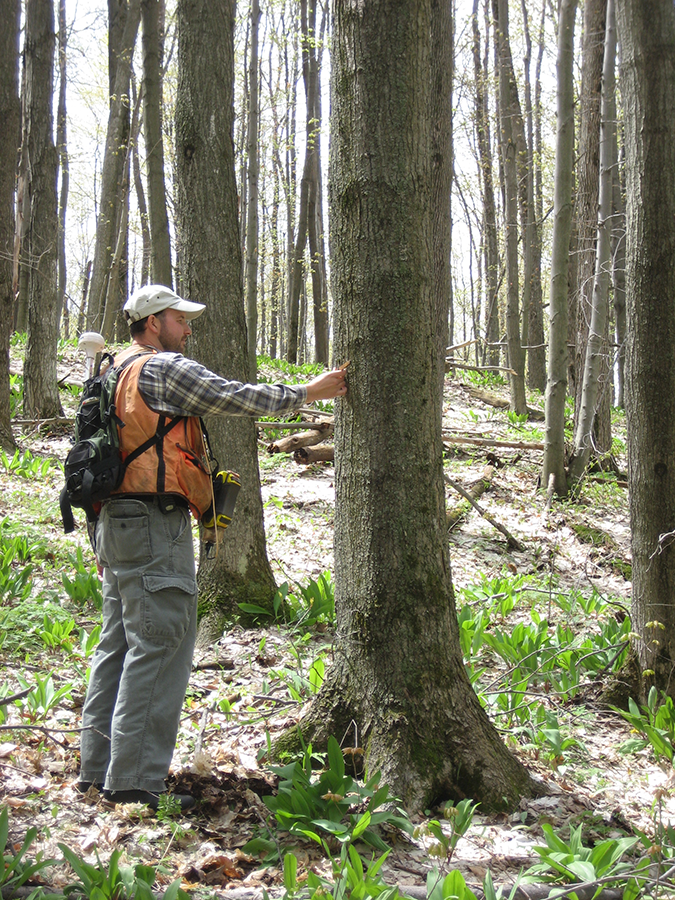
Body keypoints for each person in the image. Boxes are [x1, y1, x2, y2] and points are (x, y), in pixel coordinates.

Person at [77, 284, 347, 812]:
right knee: (162, 642)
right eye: (181, 320)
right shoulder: (160, 368)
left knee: (119, 645)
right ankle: (133, 785)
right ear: (153, 323)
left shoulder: (111, 371)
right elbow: (233, 396)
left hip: (115, 521)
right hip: (155, 522)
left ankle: (96, 771)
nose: (189, 330)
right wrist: (309, 392)